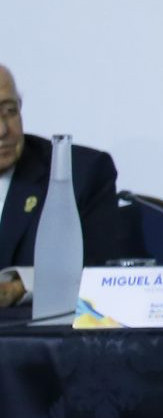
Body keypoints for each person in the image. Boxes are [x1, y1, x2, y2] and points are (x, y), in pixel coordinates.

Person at [0, 63, 137, 307]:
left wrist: (20, 287)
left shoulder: (75, 175)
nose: (3, 130)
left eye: (10, 111)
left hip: (30, 326)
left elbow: (100, 269)